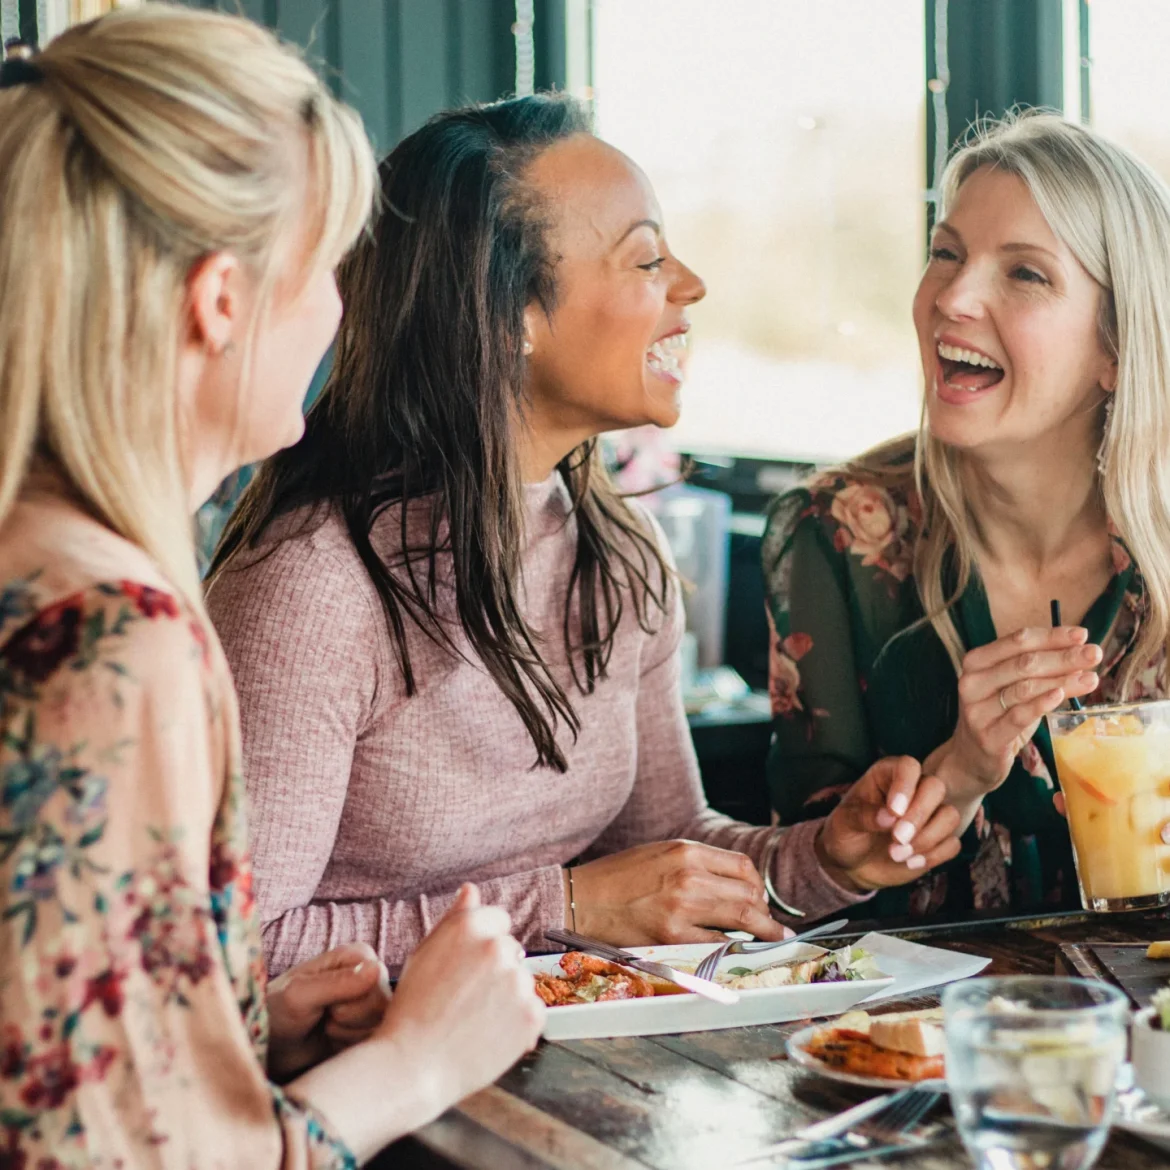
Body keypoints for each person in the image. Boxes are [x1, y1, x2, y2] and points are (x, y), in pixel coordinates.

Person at [206, 94, 962, 977]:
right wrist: (561, 906)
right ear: (511, 314)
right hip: (369, 1094)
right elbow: (230, 951)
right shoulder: (314, 585)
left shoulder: (618, 555)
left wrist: (829, 860)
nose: (691, 285)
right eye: (646, 258)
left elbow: (668, 855)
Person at [0, 10, 542, 1168]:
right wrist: (421, 1063)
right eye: (328, 268)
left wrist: (235, 1020)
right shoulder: (110, 632)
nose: (343, 316)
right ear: (222, 301)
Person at [763, 111, 1170, 919]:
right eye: (945, 253)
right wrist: (962, 768)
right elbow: (799, 896)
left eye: (1024, 274)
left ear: (1116, 349)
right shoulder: (839, 532)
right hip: (906, 1037)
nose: (952, 297)